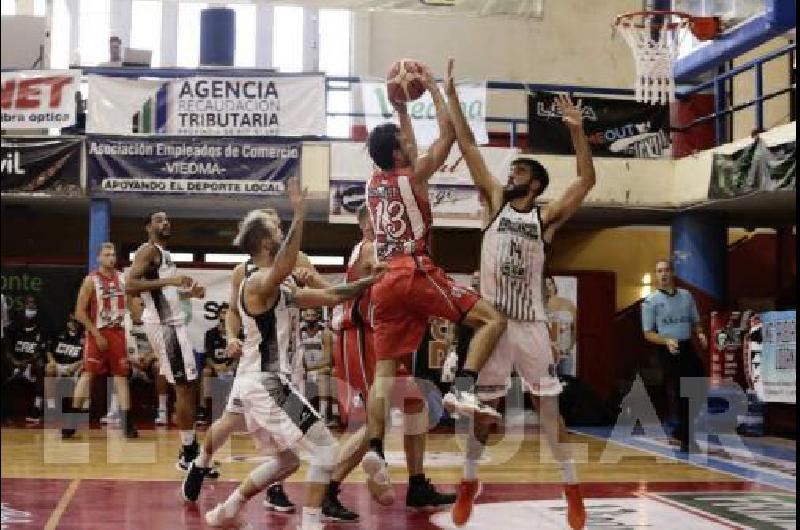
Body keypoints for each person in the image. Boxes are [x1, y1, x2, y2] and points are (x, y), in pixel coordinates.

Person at [181, 178, 379, 530]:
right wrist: (300, 213)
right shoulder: (256, 281)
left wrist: (372, 281)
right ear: (264, 241)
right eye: (276, 228)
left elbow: (333, 296)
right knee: (327, 451)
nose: (281, 230)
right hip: (266, 383)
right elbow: (284, 266)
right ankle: (311, 523)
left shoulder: (279, 285)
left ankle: (227, 510)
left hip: (261, 382)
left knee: (287, 461)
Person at [446, 58, 594, 529]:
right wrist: (451, 96)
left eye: (517, 173)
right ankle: (469, 483)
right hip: (493, 323)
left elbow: (586, 181)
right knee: (482, 416)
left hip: (530, 323)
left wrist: (576, 132)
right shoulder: (492, 201)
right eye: (509, 173)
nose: (508, 177)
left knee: (548, 410)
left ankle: (572, 489)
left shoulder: (544, 218)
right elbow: (468, 144)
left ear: (534, 183)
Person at [361, 61, 507, 503]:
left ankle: (374, 450)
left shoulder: (373, 182)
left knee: (384, 374)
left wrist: (402, 109)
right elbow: (446, 138)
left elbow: (405, 144)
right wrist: (440, 93)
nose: (410, 143)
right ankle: (463, 388)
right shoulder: (415, 176)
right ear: (400, 154)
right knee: (490, 319)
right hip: (414, 268)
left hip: (382, 280)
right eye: (405, 142)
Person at [324, 204, 457, 522]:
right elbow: (385, 268)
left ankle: (417, 485)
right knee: (374, 421)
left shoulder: (383, 249)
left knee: (414, 402)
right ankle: (327, 490)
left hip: (379, 338)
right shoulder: (370, 248)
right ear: (365, 225)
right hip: (359, 336)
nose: (387, 224)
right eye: (377, 219)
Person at [127, 213, 204, 466]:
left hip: (172, 323)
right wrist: (171, 280)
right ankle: (188, 452)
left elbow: (163, 294)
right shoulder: (148, 251)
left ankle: (189, 446)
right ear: (148, 227)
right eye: (159, 220)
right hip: (164, 326)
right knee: (183, 385)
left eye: (168, 220)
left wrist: (187, 293)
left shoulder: (164, 254)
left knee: (189, 384)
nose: (166, 223)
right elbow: (130, 285)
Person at [64, 243, 138, 439]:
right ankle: (71, 422)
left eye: (113, 254)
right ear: (98, 258)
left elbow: (133, 308)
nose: (111, 258)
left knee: (121, 377)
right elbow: (79, 312)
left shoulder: (124, 278)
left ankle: (127, 423)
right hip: (97, 333)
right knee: (88, 376)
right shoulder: (91, 280)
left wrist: (142, 311)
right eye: (107, 255)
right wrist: (96, 334)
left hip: (119, 334)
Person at [641, 259, 708, 453]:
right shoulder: (651, 301)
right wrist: (666, 341)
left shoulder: (686, 296)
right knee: (682, 391)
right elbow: (648, 333)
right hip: (667, 348)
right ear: (656, 275)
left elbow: (695, 322)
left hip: (687, 346)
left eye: (666, 270)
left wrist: (701, 333)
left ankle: (680, 429)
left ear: (672, 273)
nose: (663, 274)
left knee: (699, 385)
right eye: (659, 271)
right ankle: (687, 438)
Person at [4, 297, 48, 423]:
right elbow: (7, 350)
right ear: (23, 308)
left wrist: (26, 363)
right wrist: (15, 363)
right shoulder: (14, 329)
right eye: (28, 304)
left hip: (30, 366)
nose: (30, 307)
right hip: (14, 365)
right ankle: (6, 413)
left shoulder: (41, 330)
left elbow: (40, 351)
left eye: (33, 304)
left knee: (41, 365)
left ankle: (37, 407)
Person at [201, 303, 237, 422]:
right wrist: (216, 366)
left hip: (232, 366)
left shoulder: (237, 333)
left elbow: (239, 355)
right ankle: (205, 410)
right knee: (206, 372)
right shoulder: (210, 333)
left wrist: (229, 366)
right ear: (218, 315)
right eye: (223, 312)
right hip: (215, 366)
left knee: (237, 372)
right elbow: (208, 355)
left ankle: (234, 410)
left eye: (228, 312)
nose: (225, 315)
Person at [298, 308, 334, 425]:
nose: (310, 318)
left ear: (318, 317)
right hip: (304, 368)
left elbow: (328, 359)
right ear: (303, 317)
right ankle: (302, 413)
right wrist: (302, 368)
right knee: (297, 376)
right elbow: (296, 355)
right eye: (307, 315)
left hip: (319, 368)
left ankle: (323, 416)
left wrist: (309, 368)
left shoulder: (325, 332)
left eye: (313, 315)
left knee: (323, 373)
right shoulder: (299, 332)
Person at [44, 312, 84, 414]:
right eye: (72, 321)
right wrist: (52, 361)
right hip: (59, 365)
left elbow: (87, 356)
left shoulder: (84, 334)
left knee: (85, 372)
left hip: (75, 366)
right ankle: (51, 406)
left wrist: (77, 365)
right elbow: (48, 351)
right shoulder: (59, 332)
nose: (74, 324)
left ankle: (79, 406)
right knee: (49, 368)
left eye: (76, 322)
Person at [544, 276, 578, 377]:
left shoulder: (568, 303)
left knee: (565, 384)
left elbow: (575, 328)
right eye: (544, 286)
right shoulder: (540, 305)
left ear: (554, 285)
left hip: (564, 354)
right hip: (547, 356)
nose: (548, 288)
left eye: (550, 284)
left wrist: (570, 347)